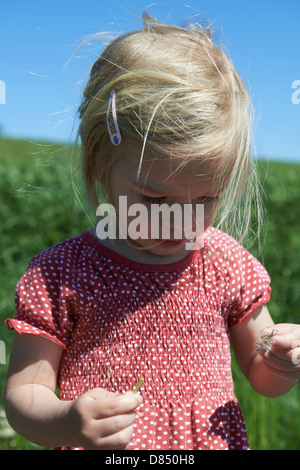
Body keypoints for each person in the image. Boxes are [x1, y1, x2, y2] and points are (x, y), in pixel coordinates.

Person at [4, 12, 300, 450]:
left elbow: (262, 378)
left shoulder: (224, 263)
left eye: (206, 200)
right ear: (101, 166)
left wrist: (281, 362)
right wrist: (65, 421)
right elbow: (23, 395)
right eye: (155, 200)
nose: (183, 222)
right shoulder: (61, 274)